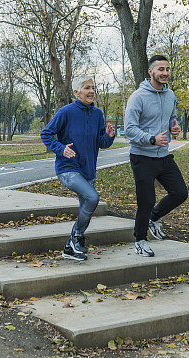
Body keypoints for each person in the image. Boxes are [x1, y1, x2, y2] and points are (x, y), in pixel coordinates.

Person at [41, 76, 116, 261]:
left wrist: (109, 136)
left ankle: (70, 247)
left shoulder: (98, 114)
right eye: (86, 88)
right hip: (68, 169)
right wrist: (61, 149)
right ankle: (76, 237)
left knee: (87, 207)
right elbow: (46, 134)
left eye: (93, 87)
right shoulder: (66, 112)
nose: (91, 91)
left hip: (89, 169)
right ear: (76, 92)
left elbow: (101, 143)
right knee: (93, 198)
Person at [124, 54, 186, 257]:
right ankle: (140, 240)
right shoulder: (138, 97)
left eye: (167, 69)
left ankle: (154, 218)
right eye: (161, 69)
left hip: (163, 155)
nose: (165, 73)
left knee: (180, 192)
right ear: (150, 71)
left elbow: (172, 119)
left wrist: (175, 128)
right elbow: (129, 129)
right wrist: (151, 139)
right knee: (146, 200)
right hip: (142, 156)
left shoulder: (170, 95)